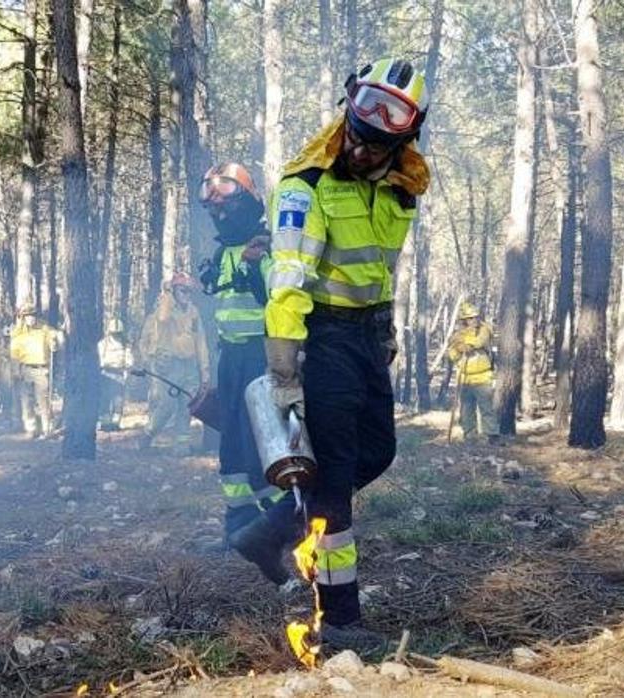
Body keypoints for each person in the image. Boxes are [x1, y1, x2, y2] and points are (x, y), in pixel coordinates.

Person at [249, 58, 431, 652]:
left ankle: (268, 532)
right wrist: (284, 366)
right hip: (320, 337)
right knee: (333, 483)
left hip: (364, 339)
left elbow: (381, 270)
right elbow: (288, 282)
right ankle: (341, 620)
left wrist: (384, 332)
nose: (360, 148)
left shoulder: (402, 193)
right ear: (346, 112)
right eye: (356, 132)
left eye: (378, 140)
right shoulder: (305, 187)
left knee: (376, 453)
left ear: (404, 138)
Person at [196, 162, 288, 583]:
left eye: (226, 203)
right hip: (230, 359)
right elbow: (216, 295)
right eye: (213, 206)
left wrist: (255, 267)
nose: (219, 213)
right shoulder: (222, 250)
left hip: (261, 357)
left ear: (248, 202)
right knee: (231, 444)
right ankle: (237, 528)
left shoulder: (266, 244)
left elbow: (278, 297)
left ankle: (284, 525)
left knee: (265, 447)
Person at [137, 273, 209, 452]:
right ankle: (148, 434)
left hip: (189, 365)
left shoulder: (193, 312)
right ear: (174, 291)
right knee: (167, 406)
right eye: (183, 290)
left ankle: (181, 447)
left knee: (186, 407)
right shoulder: (165, 308)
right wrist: (168, 294)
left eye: (189, 291)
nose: (187, 294)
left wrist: (205, 371)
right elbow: (162, 319)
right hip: (168, 366)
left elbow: (200, 342)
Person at [447, 301, 500, 443]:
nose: (474, 320)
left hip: (482, 377)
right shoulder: (457, 335)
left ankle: (492, 435)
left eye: (475, 317)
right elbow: (452, 354)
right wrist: (458, 348)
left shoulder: (485, 329)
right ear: (463, 320)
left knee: (486, 407)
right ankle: (470, 435)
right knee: (466, 409)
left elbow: (479, 341)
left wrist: (467, 343)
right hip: (464, 378)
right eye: (470, 318)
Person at [9, 307, 63, 439]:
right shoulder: (18, 333)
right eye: (27, 316)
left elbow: (56, 340)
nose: (30, 318)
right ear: (23, 318)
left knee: (43, 400)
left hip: (41, 369)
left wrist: (55, 341)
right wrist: (15, 370)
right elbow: (14, 354)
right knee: (27, 400)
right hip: (25, 369)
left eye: (32, 315)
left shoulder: (44, 329)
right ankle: (31, 428)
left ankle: (47, 428)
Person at [97, 318, 133, 432]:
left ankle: (115, 423)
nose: (116, 336)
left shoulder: (126, 345)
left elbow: (129, 360)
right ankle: (105, 423)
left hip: (119, 375)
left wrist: (126, 368)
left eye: (118, 334)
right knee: (104, 400)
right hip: (105, 374)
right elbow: (100, 361)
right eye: (114, 333)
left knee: (118, 400)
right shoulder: (103, 344)